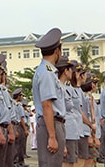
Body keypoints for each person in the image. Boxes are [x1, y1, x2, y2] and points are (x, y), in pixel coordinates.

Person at [32, 27, 66, 167]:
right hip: (50, 125)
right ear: (57, 51)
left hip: (53, 124)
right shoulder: (47, 73)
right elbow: (47, 105)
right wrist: (52, 136)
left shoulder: (48, 71)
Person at [55, 56, 78, 167]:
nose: (72, 72)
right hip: (65, 129)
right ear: (65, 71)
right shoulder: (58, 87)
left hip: (68, 128)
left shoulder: (64, 87)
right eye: (70, 69)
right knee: (66, 161)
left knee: (71, 161)